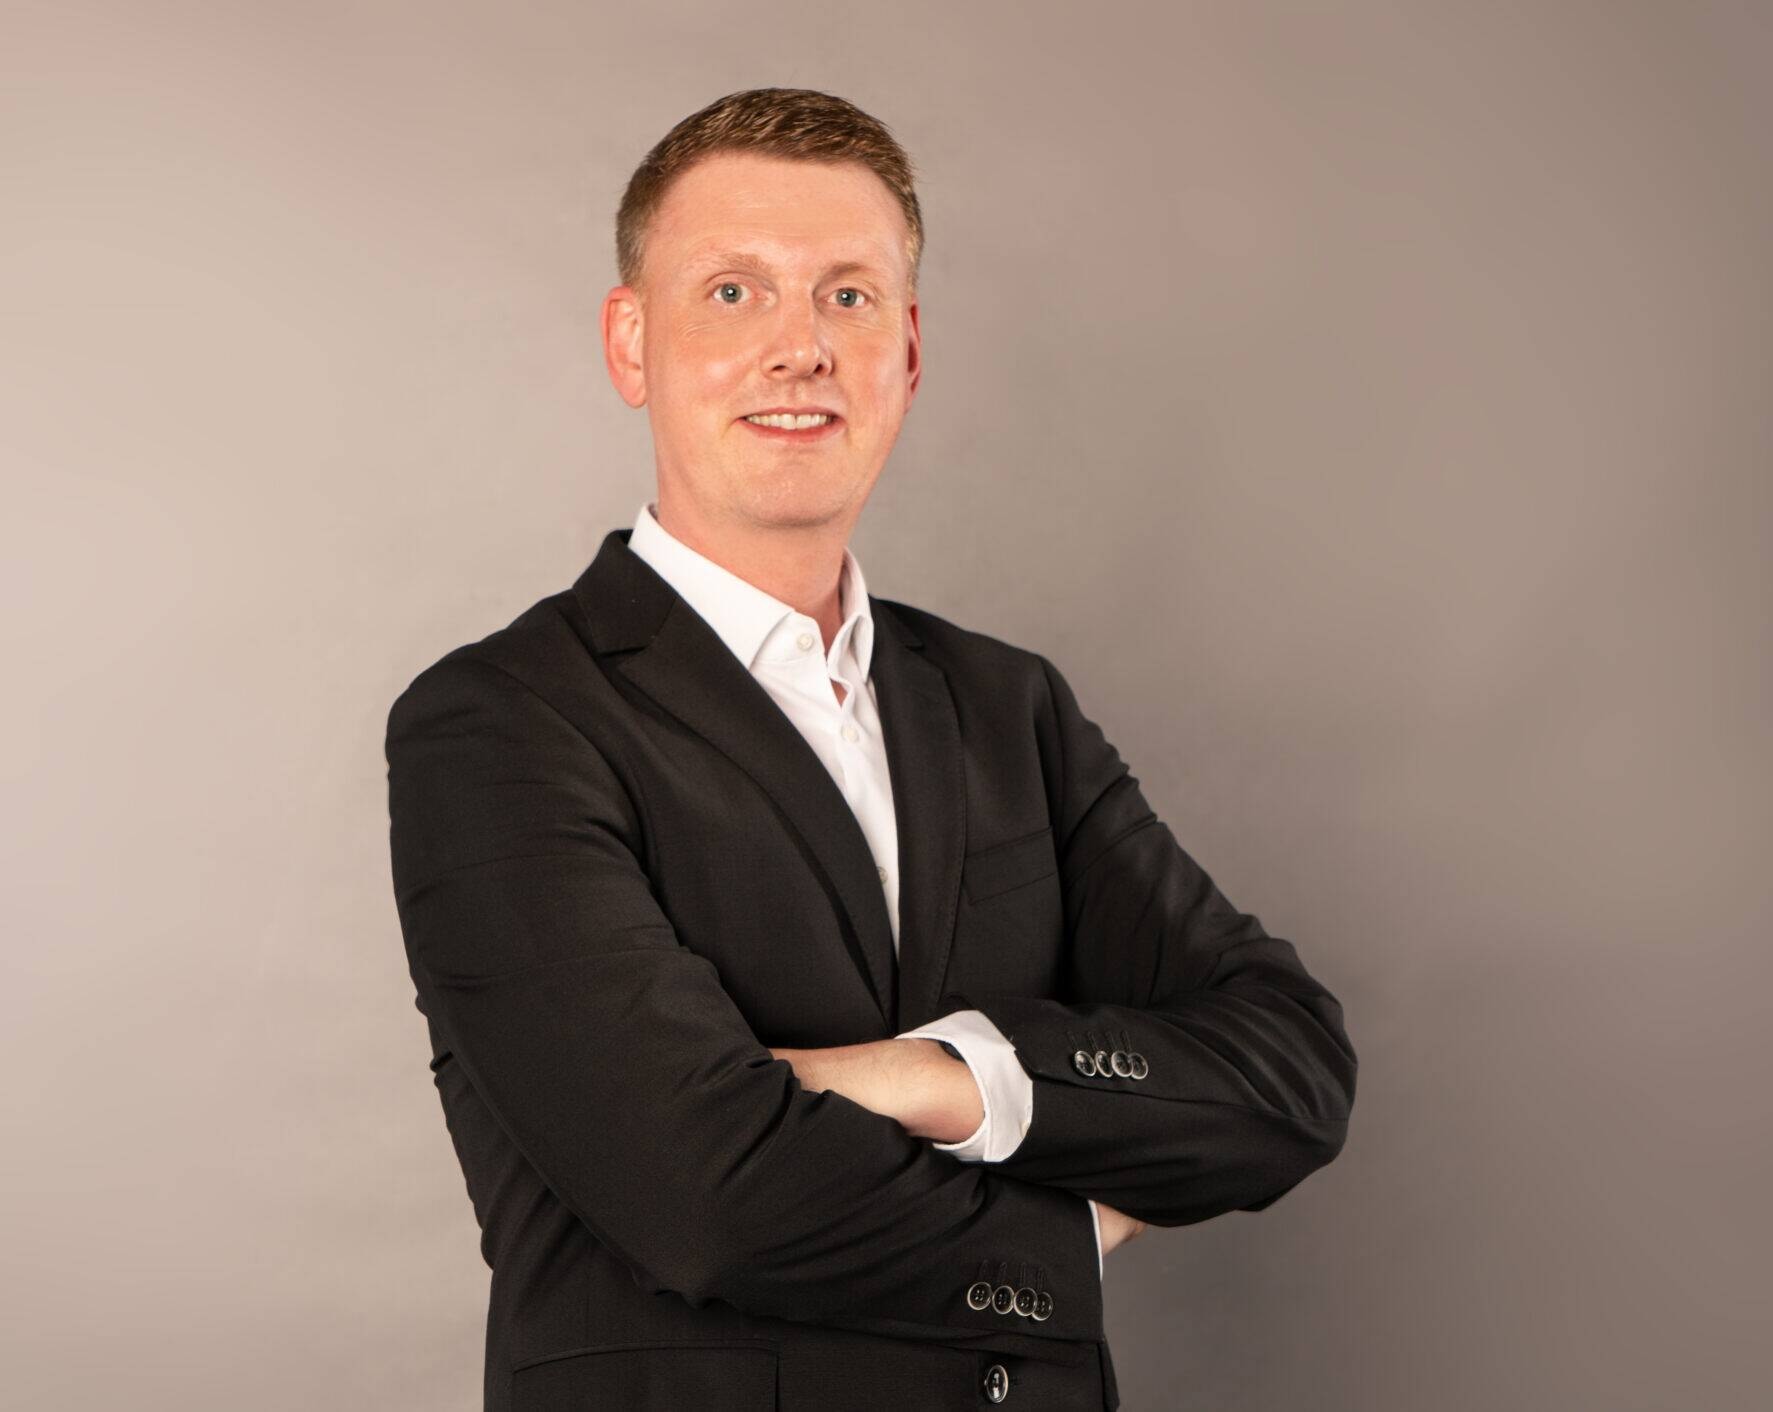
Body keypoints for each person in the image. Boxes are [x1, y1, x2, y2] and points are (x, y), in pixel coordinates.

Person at [384, 86, 1358, 1412]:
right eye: (733, 292)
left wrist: (941, 1078)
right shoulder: (497, 724)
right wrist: (1067, 1236)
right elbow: (702, 1196)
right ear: (631, 344)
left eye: (846, 296)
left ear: (906, 351)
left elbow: (1291, 1071)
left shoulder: (1008, 707)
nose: (799, 348)